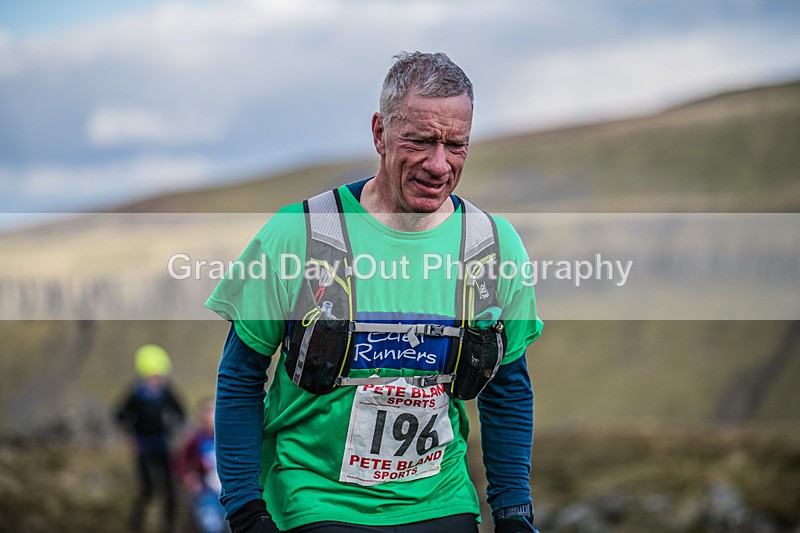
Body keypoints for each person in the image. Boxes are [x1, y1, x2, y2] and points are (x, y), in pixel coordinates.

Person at [206, 52, 543, 533]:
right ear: (380, 133)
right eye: (420, 141)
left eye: (456, 145)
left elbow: (508, 387)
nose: (439, 164)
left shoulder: (493, 245)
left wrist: (513, 513)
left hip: (441, 501)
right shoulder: (298, 234)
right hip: (316, 503)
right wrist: (244, 510)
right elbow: (241, 376)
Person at [116, 343, 186, 532]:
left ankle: (169, 527)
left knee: (170, 490)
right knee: (148, 489)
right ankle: (136, 525)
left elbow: (181, 413)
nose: (157, 380)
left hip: (163, 445)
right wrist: (130, 438)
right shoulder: (136, 394)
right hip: (144, 446)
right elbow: (120, 415)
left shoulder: (167, 393)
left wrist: (176, 432)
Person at [177, 398, 230, 533]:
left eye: (214, 411)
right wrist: (189, 478)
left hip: (230, 491)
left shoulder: (230, 437)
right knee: (211, 527)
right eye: (208, 412)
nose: (211, 416)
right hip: (207, 492)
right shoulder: (196, 438)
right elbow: (181, 461)